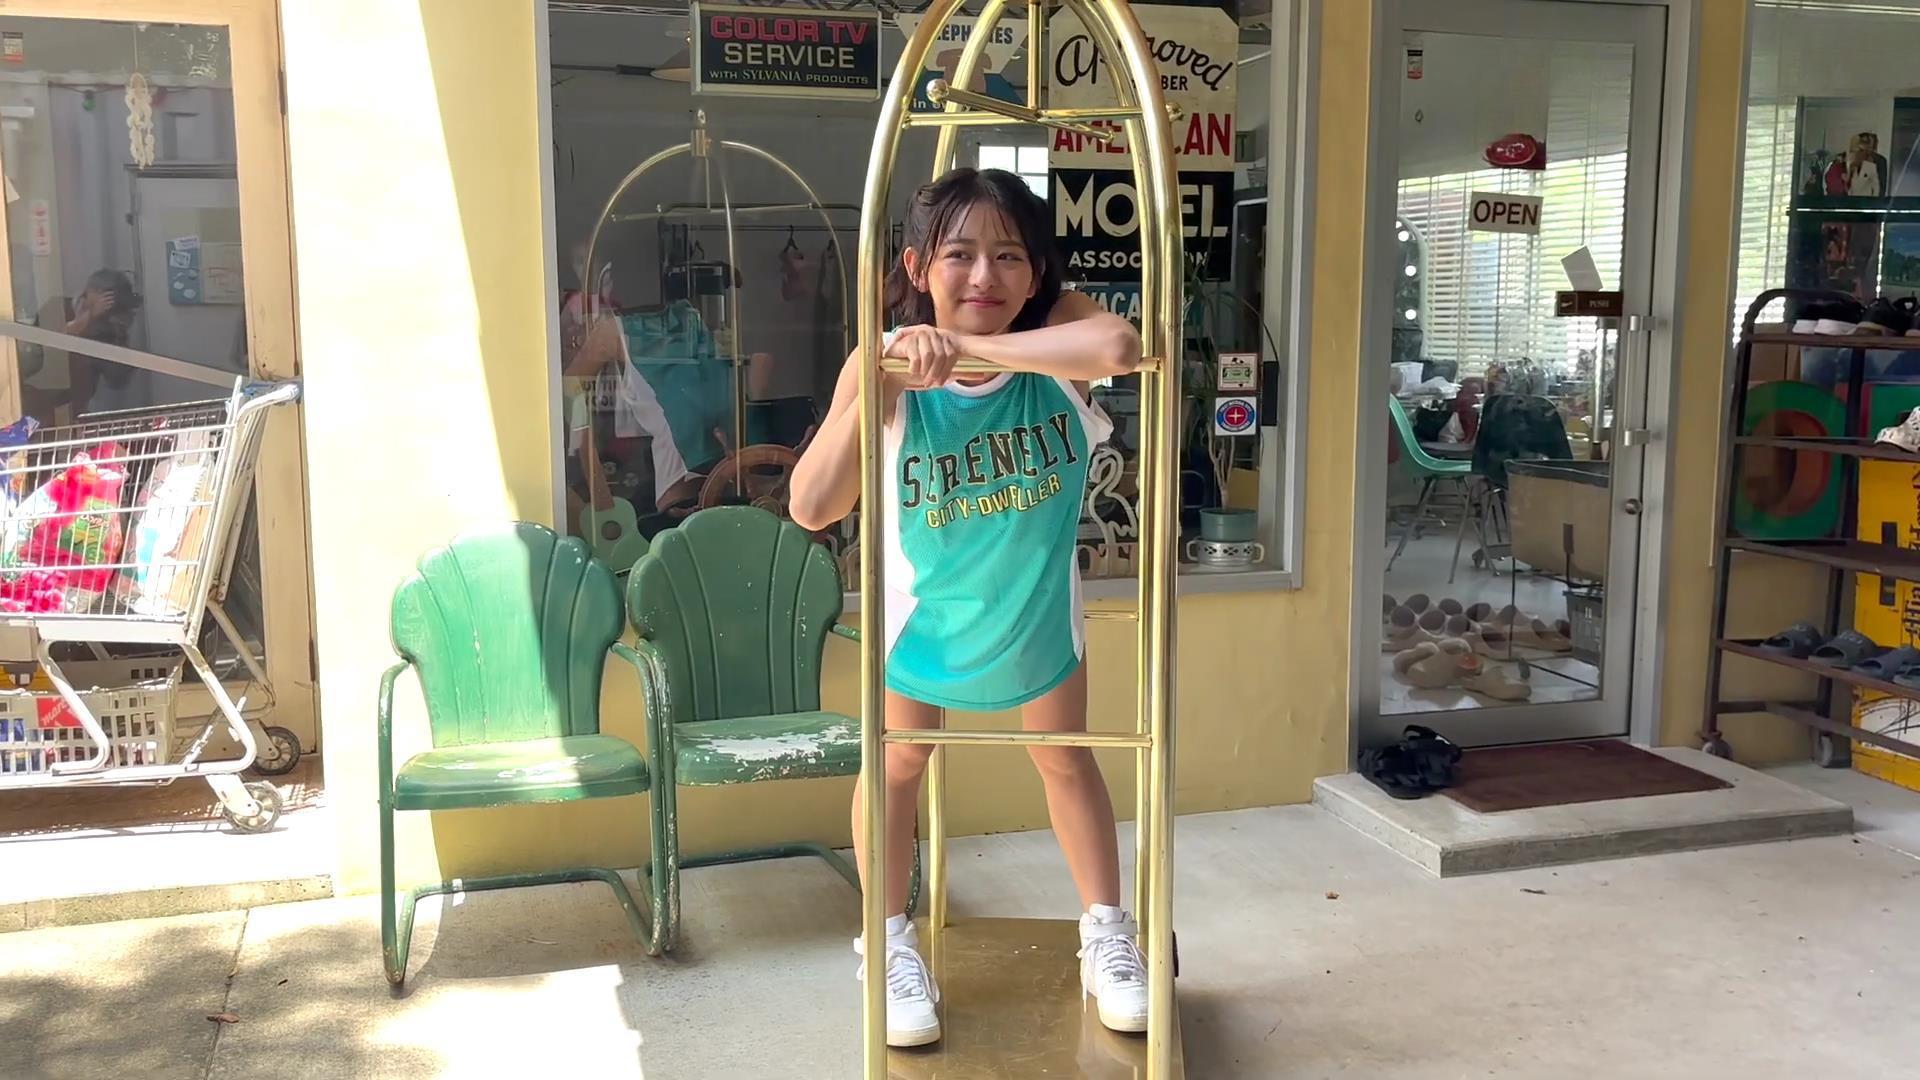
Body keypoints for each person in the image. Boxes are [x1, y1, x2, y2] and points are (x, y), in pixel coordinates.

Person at [787, 167, 1146, 1048]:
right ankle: (886, 942)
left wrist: (974, 348)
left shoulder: (1058, 334)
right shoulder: (883, 360)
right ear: (917, 265)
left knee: (1063, 758)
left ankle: (1108, 935)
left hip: (1035, 617)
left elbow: (1119, 345)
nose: (984, 275)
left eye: (1008, 256)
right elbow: (812, 505)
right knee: (898, 765)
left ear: (1035, 273)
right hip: (923, 625)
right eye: (959, 254)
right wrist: (885, 383)